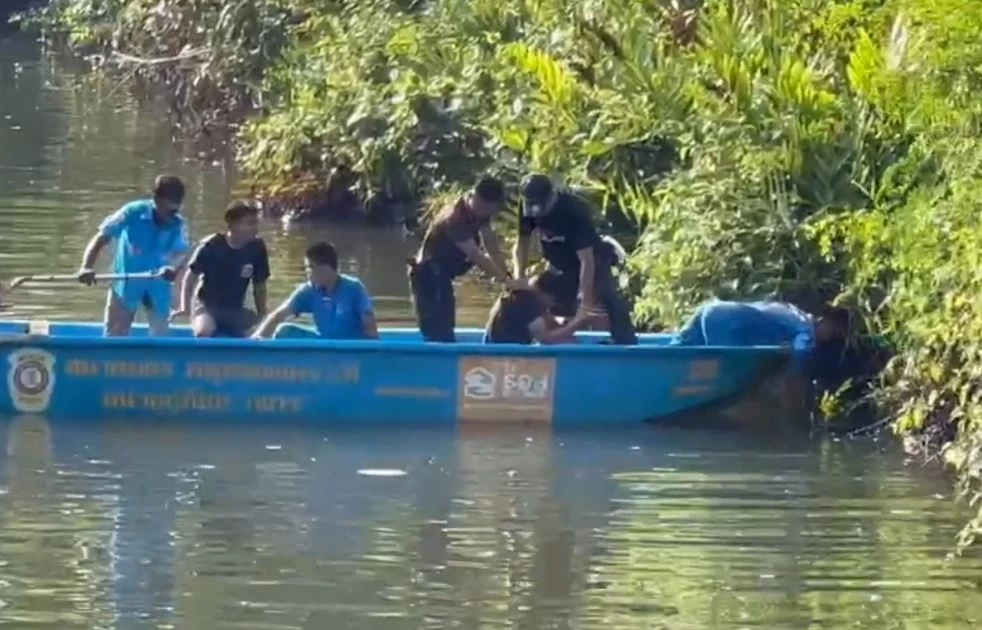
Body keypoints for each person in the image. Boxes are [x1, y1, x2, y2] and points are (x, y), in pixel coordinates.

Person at [512, 173, 638, 345]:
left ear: (551, 197)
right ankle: (558, 336)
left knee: (605, 306)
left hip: (592, 263)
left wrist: (585, 301)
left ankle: (626, 346)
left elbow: (587, 260)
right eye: (531, 206)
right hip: (560, 265)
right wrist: (519, 277)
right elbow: (522, 243)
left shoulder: (573, 211)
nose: (535, 212)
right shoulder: (528, 204)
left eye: (540, 206)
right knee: (533, 291)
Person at [409, 175, 530, 342]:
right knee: (438, 328)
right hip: (428, 274)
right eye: (493, 208)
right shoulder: (455, 218)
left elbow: (492, 247)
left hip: (442, 274)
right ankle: (439, 360)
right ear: (481, 200)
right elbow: (477, 256)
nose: (494, 213)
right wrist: (506, 282)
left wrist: (508, 277)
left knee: (446, 322)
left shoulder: (479, 212)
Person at [77, 175, 190, 336]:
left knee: (161, 337)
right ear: (157, 199)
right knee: (114, 335)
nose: (171, 215)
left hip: (158, 283)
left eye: (175, 210)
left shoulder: (179, 224)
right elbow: (101, 237)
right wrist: (86, 267)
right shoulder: (132, 212)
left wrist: (173, 267)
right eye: (168, 210)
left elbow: (182, 253)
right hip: (126, 281)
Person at [172, 200, 270, 338]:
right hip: (206, 308)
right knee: (203, 332)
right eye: (249, 223)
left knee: (264, 332)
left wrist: (262, 315)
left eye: (256, 223)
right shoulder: (210, 246)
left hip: (235, 310)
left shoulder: (257, 248)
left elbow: (259, 285)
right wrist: (185, 307)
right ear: (232, 224)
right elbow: (189, 278)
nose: (255, 228)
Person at [670, 299, 850, 372]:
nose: (830, 337)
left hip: (711, 308)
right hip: (729, 322)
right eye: (833, 332)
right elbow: (800, 352)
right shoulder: (805, 328)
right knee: (724, 372)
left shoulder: (790, 310)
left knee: (674, 352)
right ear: (822, 321)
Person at [251, 241, 378, 340]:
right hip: (324, 348)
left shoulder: (354, 288)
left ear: (326, 268)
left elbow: (371, 331)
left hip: (351, 352)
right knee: (284, 331)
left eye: (311, 267)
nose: (307, 273)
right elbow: (278, 315)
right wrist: (256, 337)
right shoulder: (309, 290)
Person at [483, 272, 594, 344]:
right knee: (565, 342)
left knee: (568, 339)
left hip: (492, 347)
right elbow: (546, 338)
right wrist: (575, 325)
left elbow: (547, 319)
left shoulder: (521, 294)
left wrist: (566, 322)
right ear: (547, 294)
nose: (552, 306)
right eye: (554, 302)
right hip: (504, 355)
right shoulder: (528, 301)